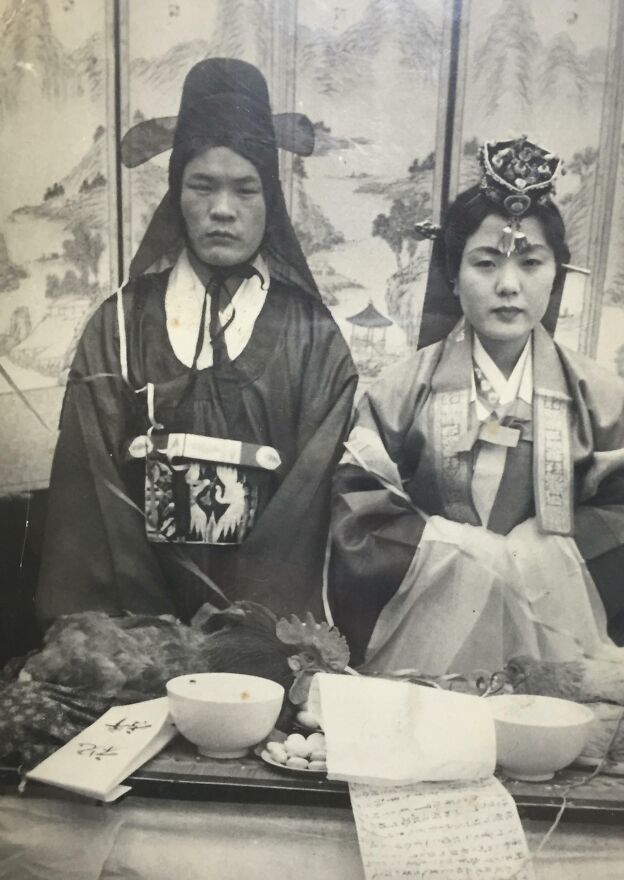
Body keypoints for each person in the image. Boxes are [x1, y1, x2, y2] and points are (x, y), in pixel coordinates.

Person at [328, 137, 624, 676]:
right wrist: (459, 553)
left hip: (563, 635)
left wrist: (542, 552)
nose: (507, 286)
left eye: (530, 262)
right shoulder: (399, 392)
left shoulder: (605, 398)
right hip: (428, 636)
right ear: (452, 274)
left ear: (556, 273)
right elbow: (359, 512)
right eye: (485, 262)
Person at [36, 59, 357, 624]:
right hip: (134, 620)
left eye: (245, 189)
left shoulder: (314, 340)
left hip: (265, 624)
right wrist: (145, 630)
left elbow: (309, 505)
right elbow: (92, 497)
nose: (223, 210)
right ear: (176, 193)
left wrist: (249, 626)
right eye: (202, 186)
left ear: (271, 198)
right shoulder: (118, 326)